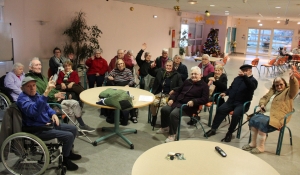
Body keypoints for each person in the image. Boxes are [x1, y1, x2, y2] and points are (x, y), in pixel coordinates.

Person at [16, 76, 81, 171]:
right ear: (22, 88)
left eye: (34, 85)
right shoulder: (23, 100)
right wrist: (46, 92)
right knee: (69, 136)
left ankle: (68, 152)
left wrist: (53, 114)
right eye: (28, 86)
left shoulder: (35, 95)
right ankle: (65, 160)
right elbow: (34, 112)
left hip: (47, 123)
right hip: (38, 129)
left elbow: (46, 107)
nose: (32, 88)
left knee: (73, 129)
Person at [27, 57, 95, 133]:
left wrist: (58, 93)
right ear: (30, 67)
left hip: (57, 97)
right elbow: (38, 96)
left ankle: (78, 127)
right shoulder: (31, 80)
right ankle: (73, 130)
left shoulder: (42, 77)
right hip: (50, 104)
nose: (39, 67)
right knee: (71, 109)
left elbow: (52, 88)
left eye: (39, 64)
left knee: (75, 103)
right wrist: (54, 96)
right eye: (36, 65)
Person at [242, 73, 299, 154]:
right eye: (277, 85)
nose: (279, 87)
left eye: (281, 84)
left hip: (278, 116)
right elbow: (264, 98)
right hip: (266, 113)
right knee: (253, 120)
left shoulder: (288, 92)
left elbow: (295, 88)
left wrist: (293, 79)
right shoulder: (272, 91)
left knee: (262, 124)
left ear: (285, 84)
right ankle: (253, 144)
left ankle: (260, 147)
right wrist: (262, 104)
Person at [205, 64, 258, 142]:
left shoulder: (253, 81)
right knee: (220, 109)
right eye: (243, 71)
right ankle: (213, 129)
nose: (243, 73)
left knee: (236, 114)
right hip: (231, 101)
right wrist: (226, 93)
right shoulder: (237, 78)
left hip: (242, 104)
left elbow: (251, 87)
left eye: (245, 71)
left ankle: (229, 132)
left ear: (250, 71)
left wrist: (245, 77)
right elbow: (231, 88)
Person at [156, 66, 209, 142]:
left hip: (189, 107)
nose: (193, 75)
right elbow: (178, 91)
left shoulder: (204, 86)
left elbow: (205, 99)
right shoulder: (187, 81)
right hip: (178, 102)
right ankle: (165, 127)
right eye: (192, 74)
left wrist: (194, 101)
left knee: (174, 114)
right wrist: (172, 99)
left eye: (196, 74)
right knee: (164, 109)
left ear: (200, 75)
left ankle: (172, 134)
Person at [148, 60, 183, 127]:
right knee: (152, 102)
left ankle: (164, 121)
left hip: (169, 95)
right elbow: (151, 72)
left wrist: (174, 90)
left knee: (165, 106)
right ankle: (154, 116)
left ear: (173, 67)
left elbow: (181, 86)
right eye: (167, 65)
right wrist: (151, 67)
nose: (168, 67)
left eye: (170, 66)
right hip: (158, 93)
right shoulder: (160, 71)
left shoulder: (177, 75)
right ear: (165, 66)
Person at [105, 59, 137, 124]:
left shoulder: (128, 70)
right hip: (117, 87)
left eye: (121, 63)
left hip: (126, 86)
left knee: (128, 99)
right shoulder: (114, 71)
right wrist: (109, 77)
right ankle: (116, 115)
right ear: (117, 65)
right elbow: (107, 76)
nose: (120, 65)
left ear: (124, 64)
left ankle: (133, 116)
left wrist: (128, 85)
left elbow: (132, 80)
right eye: (119, 64)